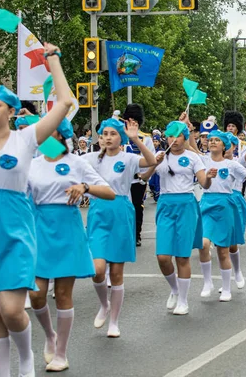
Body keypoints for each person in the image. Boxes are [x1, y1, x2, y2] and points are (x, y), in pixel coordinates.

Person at [0, 42, 73, 377]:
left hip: (16, 228)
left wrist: (52, 59)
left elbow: (66, 102)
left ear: (10, 111)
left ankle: (26, 359)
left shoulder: (26, 139)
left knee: (11, 308)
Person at [28, 119, 115, 371]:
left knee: (63, 294)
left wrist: (85, 187)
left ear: (61, 133)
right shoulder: (32, 164)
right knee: (36, 294)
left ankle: (61, 354)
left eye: (49, 129)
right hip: (38, 227)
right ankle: (49, 336)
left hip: (68, 227)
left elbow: (109, 192)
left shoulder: (76, 163)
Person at [83, 118, 156, 338]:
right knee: (97, 270)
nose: (107, 137)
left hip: (122, 211)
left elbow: (152, 161)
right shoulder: (89, 158)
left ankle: (114, 321)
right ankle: (103, 304)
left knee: (116, 271)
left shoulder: (129, 158)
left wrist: (135, 139)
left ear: (120, 137)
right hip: (98, 212)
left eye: (113, 133)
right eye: (104, 133)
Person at [198, 129, 246, 300]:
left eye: (216, 140)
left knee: (223, 249)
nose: (211, 142)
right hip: (206, 204)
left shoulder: (232, 165)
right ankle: (207, 282)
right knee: (203, 244)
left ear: (224, 146)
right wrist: (186, 126)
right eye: (210, 140)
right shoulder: (203, 160)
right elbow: (189, 147)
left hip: (225, 205)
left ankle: (227, 287)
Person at [150, 121, 214, 315]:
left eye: (178, 136)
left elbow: (204, 182)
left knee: (182, 256)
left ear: (185, 138)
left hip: (186, 204)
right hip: (165, 204)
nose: (173, 140)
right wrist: (154, 163)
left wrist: (209, 177)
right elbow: (143, 177)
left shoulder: (193, 158)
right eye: (170, 136)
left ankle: (184, 301)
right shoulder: (160, 157)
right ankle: (175, 289)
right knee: (162, 257)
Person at [122, 104, 155, 247]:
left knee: (137, 207)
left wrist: (146, 176)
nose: (132, 123)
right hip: (121, 179)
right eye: (129, 120)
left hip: (137, 180)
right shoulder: (119, 135)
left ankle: (136, 234)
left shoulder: (145, 138)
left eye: (135, 120)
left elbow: (152, 160)